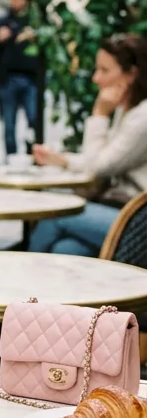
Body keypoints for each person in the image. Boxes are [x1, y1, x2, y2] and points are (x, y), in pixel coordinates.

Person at [29, 34, 147, 256]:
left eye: (104, 70)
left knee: (53, 215)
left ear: (131, 74)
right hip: (121, 212)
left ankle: (21, 284)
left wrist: (99, 114)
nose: (96, 78)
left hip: (138, 223)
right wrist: (61, 160)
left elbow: (98, 167)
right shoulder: (129, 110)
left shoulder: (143, 117)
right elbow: (104, 157)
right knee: (66, 250)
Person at [0, 0, 38, 156]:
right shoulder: (1, 21)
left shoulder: (33, 22)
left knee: (33, 120)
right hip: (7, 79)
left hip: (31, 78)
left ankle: (32, 153)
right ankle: (11, 158)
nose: (16, 0)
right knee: (9, 123)